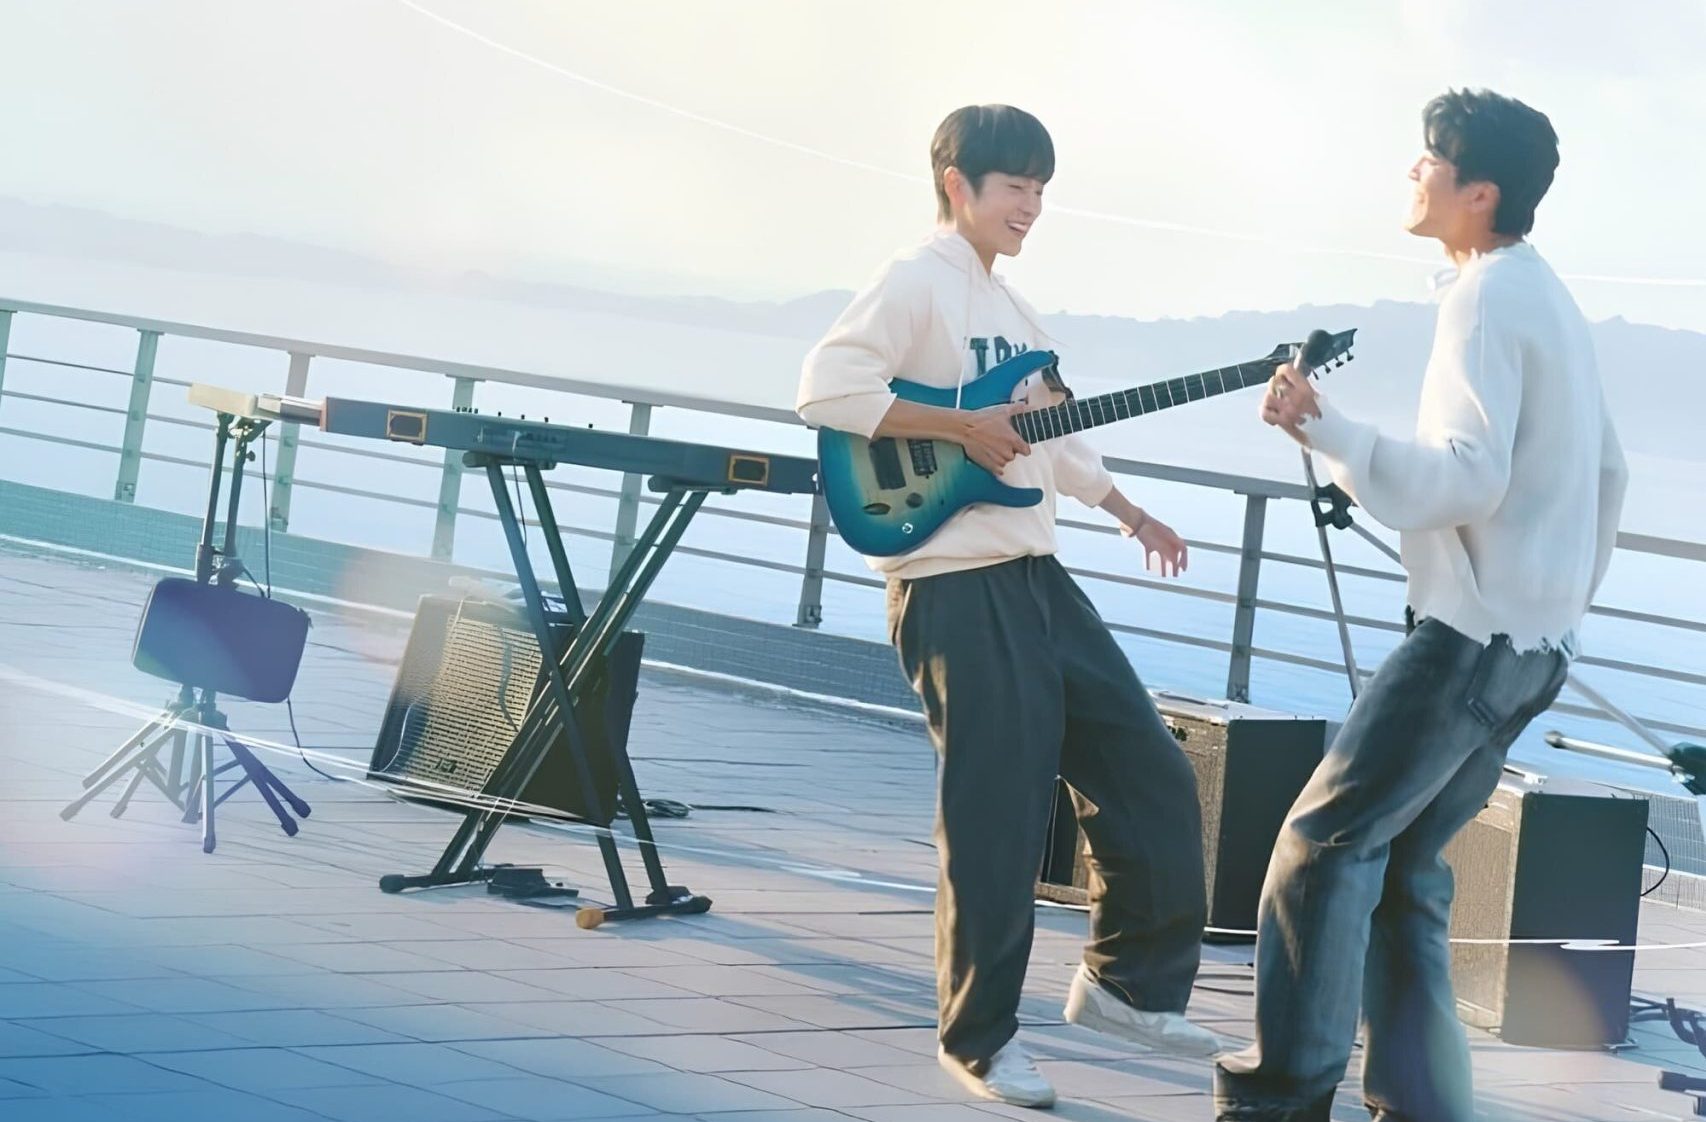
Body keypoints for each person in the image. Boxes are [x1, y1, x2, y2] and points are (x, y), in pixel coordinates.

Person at [1214, 88, 1629, 1122]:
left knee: (1319, 848)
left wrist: (1329, 430)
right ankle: (1423, 1103)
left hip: (1467, 644)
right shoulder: (1548, 296)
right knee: (1401, 869)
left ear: (1476, 192)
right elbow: (1610, 473)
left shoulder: (1483, 298)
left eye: (1428, 158)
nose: (1412, 171)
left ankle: (1278, 1099)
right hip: (1531, 647)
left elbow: (1464, 477)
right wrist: (1552, 607)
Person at [795, 104, 1219, 1110]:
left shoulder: (1016, 313)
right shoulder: (915, 280)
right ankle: (978, 1040)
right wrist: (959, 427)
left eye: (1040, 190)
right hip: (950, 582)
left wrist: (1131, 514)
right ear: (958, 184)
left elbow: (1057, 439)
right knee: (998, 814)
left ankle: (1125, 987)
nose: (1030, 206)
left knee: (1150, 771)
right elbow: (826, 389)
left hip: (1035, 575)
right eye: (1015, 186)